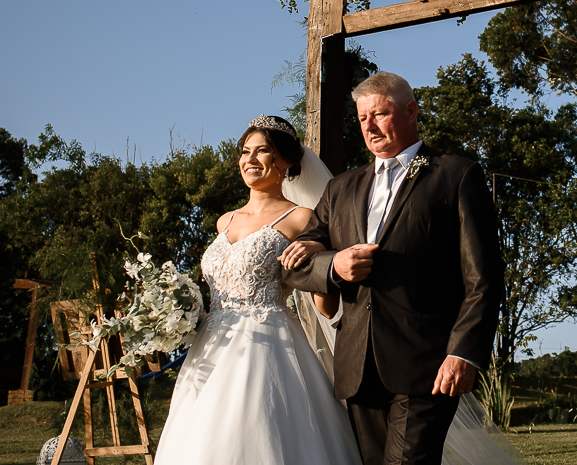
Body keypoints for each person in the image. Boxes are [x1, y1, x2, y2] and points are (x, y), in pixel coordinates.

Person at [282, 71, 504, 465]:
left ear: (411, 111)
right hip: (357, 367)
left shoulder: (456, 175)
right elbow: (297, 265)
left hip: (428, 363)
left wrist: (464, 353)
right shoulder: (341, 188)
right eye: (362, 117)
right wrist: (335, 265)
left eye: (380, 114)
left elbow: (483, 278)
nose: (369, 126)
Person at [152, 114, 362, 465]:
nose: (249, 160)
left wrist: (321, 255)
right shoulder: (225, 221)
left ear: (287, 161)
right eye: (245, 151)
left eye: (262, 151)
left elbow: (325, 306)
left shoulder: (302, 218)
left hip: (268, 344)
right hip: (210, 346)